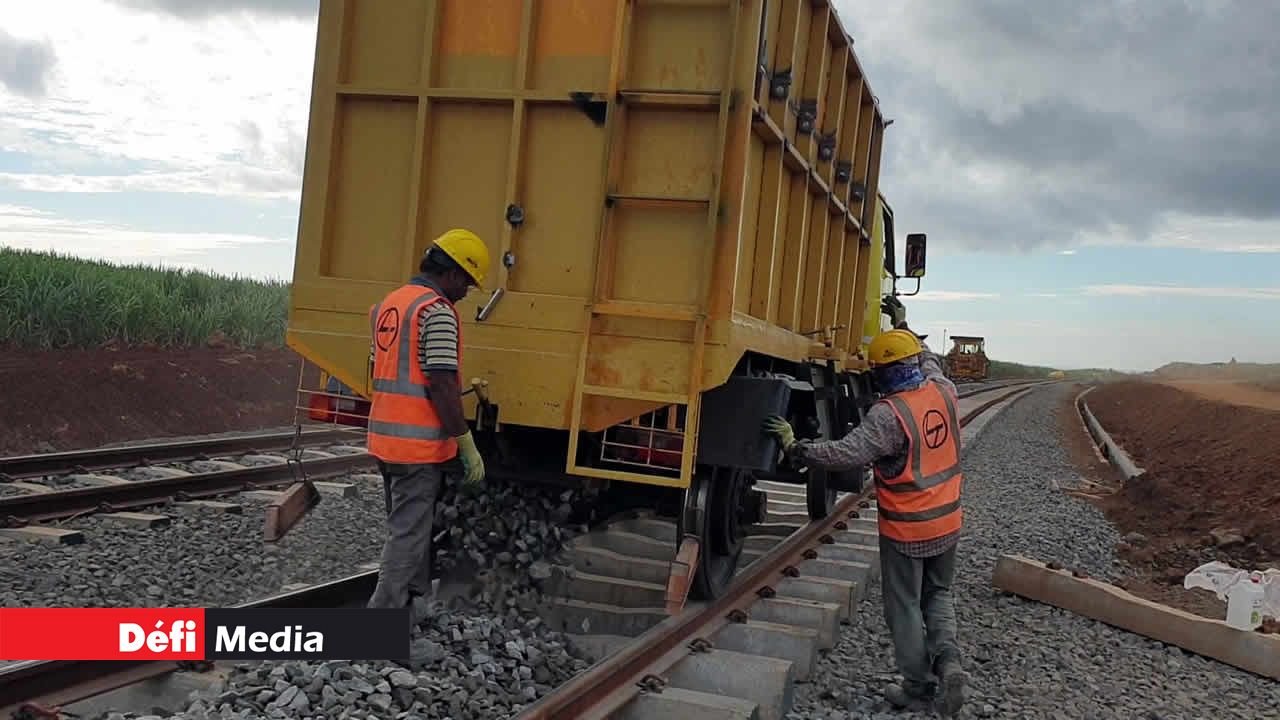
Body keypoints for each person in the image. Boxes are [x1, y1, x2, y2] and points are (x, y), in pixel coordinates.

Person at [763, 297, 970, 716]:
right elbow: (929, 359)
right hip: (948, 521)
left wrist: (794, 446)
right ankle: (949, 662)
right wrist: (904, 324)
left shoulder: (888, 416)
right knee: (939, 593)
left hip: (908, 529)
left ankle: (918, 686)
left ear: (880, 375)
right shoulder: (943, 391)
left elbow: (844, 454)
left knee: (905, 605)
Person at [365, 228, 491, 615]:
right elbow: (440, 382)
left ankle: (415, 612)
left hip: (385, 440)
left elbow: (382, 369)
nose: (466, 292)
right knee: (407, 537)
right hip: (415, 446)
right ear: (451, 273)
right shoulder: (435, 312)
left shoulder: (390, 304)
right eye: (467, 283)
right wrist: (465, 441)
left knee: (410, 531)